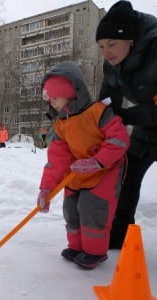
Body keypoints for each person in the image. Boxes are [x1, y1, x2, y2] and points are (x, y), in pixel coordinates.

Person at [37, 61, 130, 269]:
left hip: (107, 169)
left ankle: (95, 252)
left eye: (55, 97)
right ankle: (77, 246)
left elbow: (119, 140)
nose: (52, 102)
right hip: (78, 171)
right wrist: (46, 189)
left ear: (70, 91)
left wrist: (97, 162)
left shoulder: (98, 112)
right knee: (71, 207)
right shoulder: (61, 124)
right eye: (49, 99)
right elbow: (57, 160)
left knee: (92, 207)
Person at [95, 0, 157, 249]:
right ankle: (119, 233)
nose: (106, 52)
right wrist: (100, 121)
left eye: (111, 44)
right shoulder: (111, 67)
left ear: (130, 39)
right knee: (126, 175)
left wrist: (126, 116)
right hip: (145, 131)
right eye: (101, 46)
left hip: (144, 119)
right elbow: (107, 102)